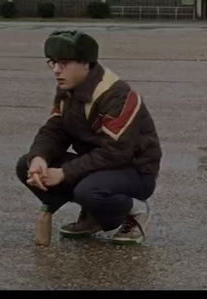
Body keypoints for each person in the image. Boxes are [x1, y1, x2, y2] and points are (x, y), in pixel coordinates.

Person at [17, 29, 161, 245]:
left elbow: (116, 152)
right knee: (24, 164)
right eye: (52, 62)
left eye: (64, 63)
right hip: (99, 167)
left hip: (135, 171)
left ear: (86, 63)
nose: (56, 70)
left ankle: (136, 211)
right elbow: (54, 130)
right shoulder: (68, 89)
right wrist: (39, 158)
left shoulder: (117, 95)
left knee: (90, 190)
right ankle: (95, 215)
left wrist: (64, 173)